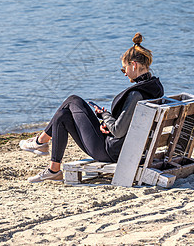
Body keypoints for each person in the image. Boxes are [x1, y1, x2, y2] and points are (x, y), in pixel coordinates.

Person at [20, 32, 164, 183]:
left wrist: (105, 115)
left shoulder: (136, 95)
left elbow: (118, 130)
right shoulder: (155, 89)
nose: (125, 74)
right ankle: (53, 170)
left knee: (72, 100)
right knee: (63, 116)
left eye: (124, 69)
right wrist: (108, 124)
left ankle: (41, 141)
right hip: (129, 148)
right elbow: (129, 125)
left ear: (133, 65)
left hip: (111, 152)